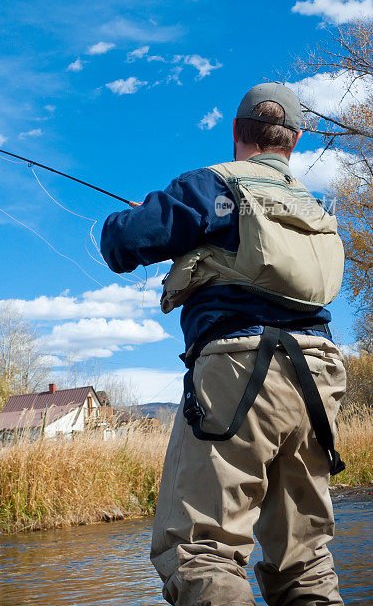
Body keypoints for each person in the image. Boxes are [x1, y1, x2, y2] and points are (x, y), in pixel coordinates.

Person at [101, 83, 347, 606]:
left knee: (201, 552)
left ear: (237, 132)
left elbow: (124, 243)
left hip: (240, 372)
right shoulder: (317, 210)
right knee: (304, 560)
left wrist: (139, 213)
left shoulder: (212, 184)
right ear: (295, 141)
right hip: (320, 380)